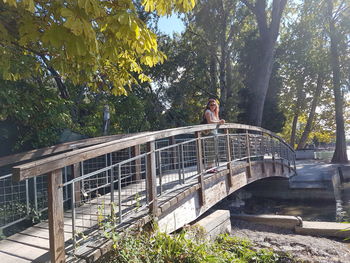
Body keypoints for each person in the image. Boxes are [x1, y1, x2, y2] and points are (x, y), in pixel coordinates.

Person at [201, 99, 225, 173]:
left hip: (214, 133)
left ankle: (212, 167)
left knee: (214, 150)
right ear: (208, 106)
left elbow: (216, 121)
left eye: (214, 104)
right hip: (209, 133)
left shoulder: (214, 113)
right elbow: (210, 122)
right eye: (211, 105)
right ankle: (209, 168)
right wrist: (219, 122)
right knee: (211, 150)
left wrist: (220, 121)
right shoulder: (208, 112)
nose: (213, 106)